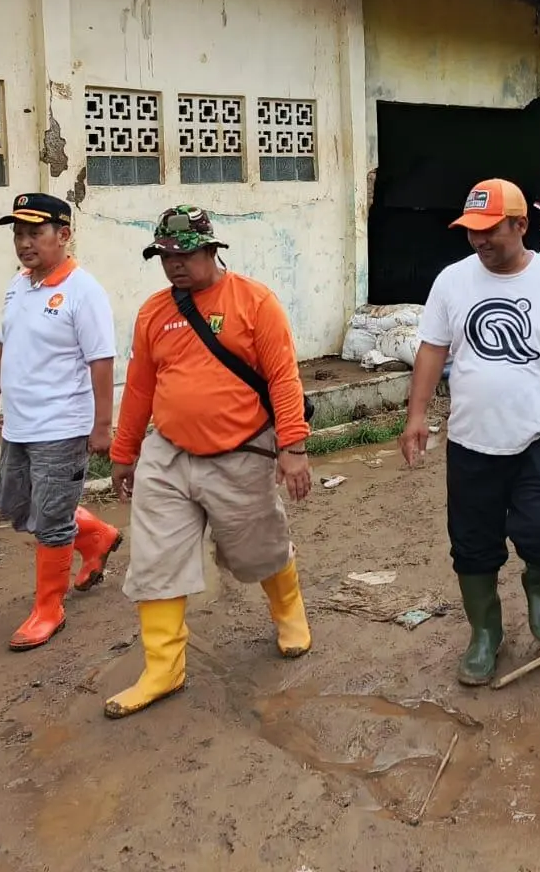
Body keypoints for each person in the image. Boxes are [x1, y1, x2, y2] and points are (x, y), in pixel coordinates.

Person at [103, 206, 313, 720]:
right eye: (165, 257)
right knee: (155, 559)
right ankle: (163, 669)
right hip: (168, 454)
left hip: (240, 452)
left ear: (211, 249)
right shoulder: (155, 312)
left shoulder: (254, 302)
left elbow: (283, 377)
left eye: (184, 254)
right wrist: (124, 453)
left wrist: (293, 446)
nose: (174, 265)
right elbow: (141, 387)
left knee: (255, 550)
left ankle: (289, 611)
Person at [399, 179, 540, 686]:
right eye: (471, 232)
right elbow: (431, 351)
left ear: (520, 225)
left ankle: (539, 583)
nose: (479, 241)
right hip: (471, 442)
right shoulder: (452, 281)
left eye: (490, 231)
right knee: (472, 545)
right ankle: (485, 633)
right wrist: (416, 414)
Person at [0, 192, 120, 652]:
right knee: (19, 506)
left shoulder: (84, 291)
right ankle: (97, 535)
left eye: (34, 233)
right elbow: (7, 343)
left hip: (63, 426)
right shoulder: (18, 284)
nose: (24, 243)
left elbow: (101, 360)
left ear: (63, 235)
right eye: (18, 234)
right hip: (20, 423)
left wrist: (103, 426)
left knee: (52, 520)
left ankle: (49, 609)